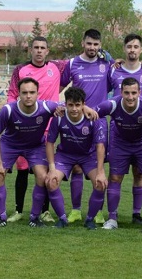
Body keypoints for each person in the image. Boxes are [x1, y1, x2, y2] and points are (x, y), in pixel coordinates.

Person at [5, 36, 63, 224]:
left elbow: (84, 59)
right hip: (25, 128)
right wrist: (15, 118)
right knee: (22, 170)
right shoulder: (20, 70)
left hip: (47, 130)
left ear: (47, 51)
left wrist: (110, 58)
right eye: (36, 47)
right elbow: (12, 95)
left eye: (42, 48)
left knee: (44, 172)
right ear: (30, 50)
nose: (39, 51)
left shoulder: (57, 68)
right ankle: (18, 210)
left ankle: (44, 211)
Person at [0, 77, 59, 228]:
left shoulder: (47, 107)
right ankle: (0, 218)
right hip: (10, 145)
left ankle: (34, 218)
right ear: (18, 94)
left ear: (37, 93)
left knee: (42, 176)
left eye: (32, 92)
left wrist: (86, 109)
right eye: (24, 92)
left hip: (35, 146)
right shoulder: (8, 110)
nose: (28, 96)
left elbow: (69, 106)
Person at [60, 28, 114, 224]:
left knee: (98, 166)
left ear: (100, 45)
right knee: (76, 166)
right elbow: (59, 87)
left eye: (96, 44)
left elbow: (116, 80)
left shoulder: (106, 63)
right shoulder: (73, 63)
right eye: (89, 43)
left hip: (99, 121)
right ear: (83, 43)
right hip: (76, 120)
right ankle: (75, 210)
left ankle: (97, 211)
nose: (92, 47)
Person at [96, 77, 142, 229]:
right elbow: (92, 114)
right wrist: (86, 109)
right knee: (115, 178)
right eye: (127, 93)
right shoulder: (112, 104)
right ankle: (112, 219)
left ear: (140, 92)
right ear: (121, 92)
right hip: (120, 143)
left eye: (134, 93)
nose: (130, 97)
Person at [45, 87, 108, 230]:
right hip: (65, 155)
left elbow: (100, 146)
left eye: (78, 105)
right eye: (70, 105)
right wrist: (52, 168)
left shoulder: (93, 119)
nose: (74, 109)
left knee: (100, 183)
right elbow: (49, 143)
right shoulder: (59, 118)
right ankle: (62, 219)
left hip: (88, 156)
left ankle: (90, 219)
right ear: (65, 104)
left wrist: (100, 171)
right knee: (51, 181)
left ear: (83, 104)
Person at [107, 34, 142, 225]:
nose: (132, 50)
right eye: (129, 47)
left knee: (141, 175)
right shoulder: (113, 71)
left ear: (141, 50)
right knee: (115, 175)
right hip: (119, 132)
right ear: (124, 49)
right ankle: (112, 218)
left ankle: (137, 214)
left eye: (136, 47)